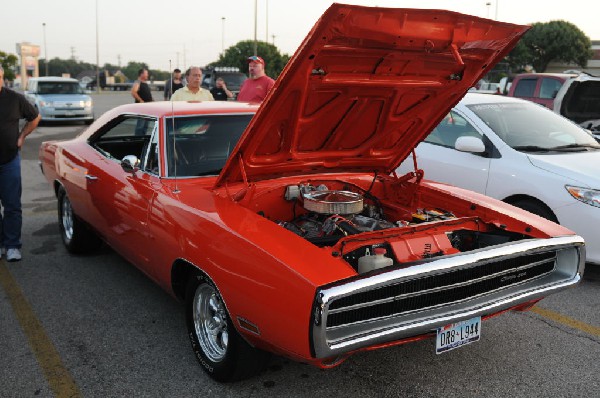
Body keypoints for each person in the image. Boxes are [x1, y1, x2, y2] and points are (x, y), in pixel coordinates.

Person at [0, 66, 41, 262]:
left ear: (2, 77)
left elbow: (35, 117)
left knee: (12, 206)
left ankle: (12, 245)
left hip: (9, 160)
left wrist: (22, 136)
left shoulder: (14, 98)